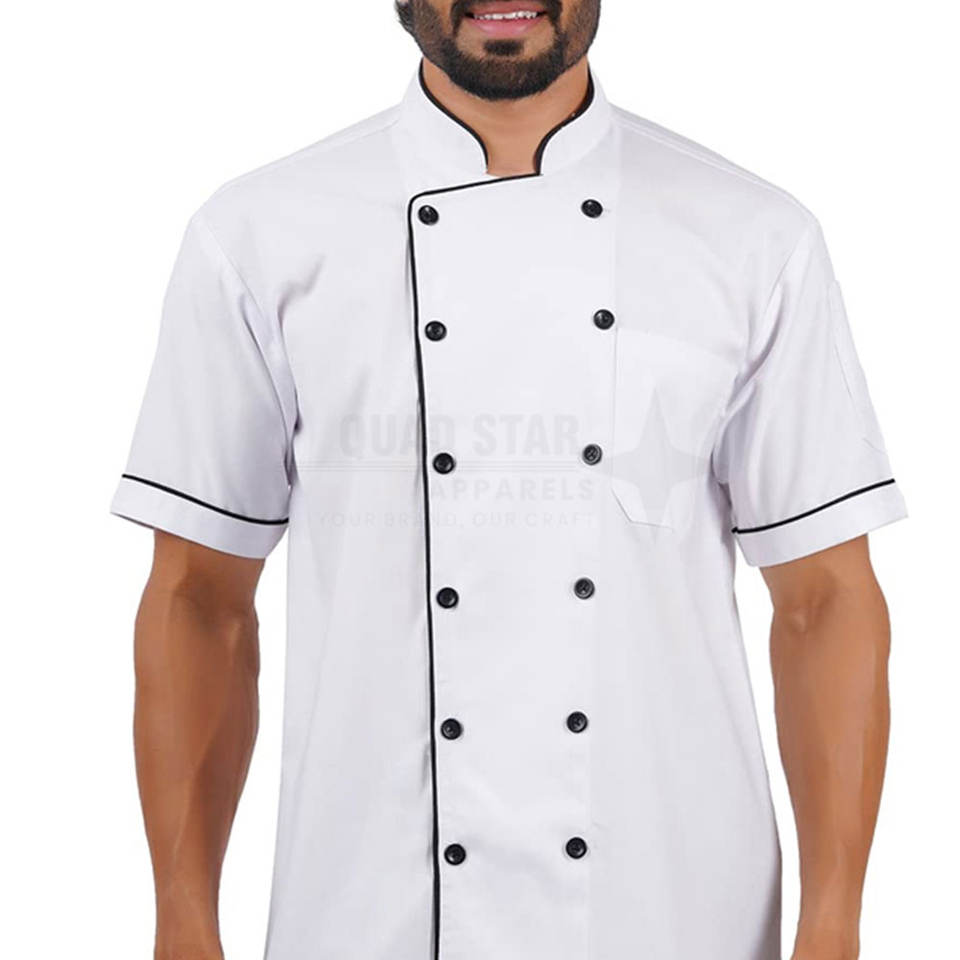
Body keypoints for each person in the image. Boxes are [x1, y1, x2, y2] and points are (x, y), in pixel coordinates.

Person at [111, 2, 907, 959]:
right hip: (366, 917)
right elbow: (200, 598)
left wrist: (834, 924)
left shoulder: (753, 237)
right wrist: (182, 921)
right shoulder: (259, 234)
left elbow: (825, 602)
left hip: (674, 913)